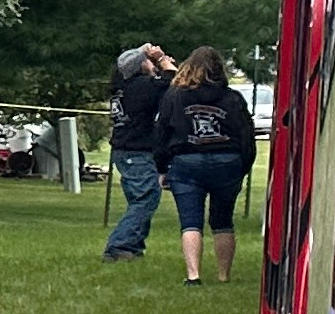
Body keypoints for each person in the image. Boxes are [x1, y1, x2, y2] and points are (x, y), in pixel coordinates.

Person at [160, 47, 259, 285]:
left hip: (186, 162)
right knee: (223, 220)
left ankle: (193, 275)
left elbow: (162, 132)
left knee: (190, 221)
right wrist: (242, 166)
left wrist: (161, 167)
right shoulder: (233, 98)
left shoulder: (175, 96)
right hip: (227, 161)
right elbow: (246, 135)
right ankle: (224, 275)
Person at [106, 42, 171, 260]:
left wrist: (141, 54)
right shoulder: (142, 86)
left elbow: (123, 67)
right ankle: (119, 245)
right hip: (137, 151)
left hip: (123, 150)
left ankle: (133, 247)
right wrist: (161, 59)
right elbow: (174, 79)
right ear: (141, 66)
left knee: (139, 199)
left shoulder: (119, 86)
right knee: (146, 198)